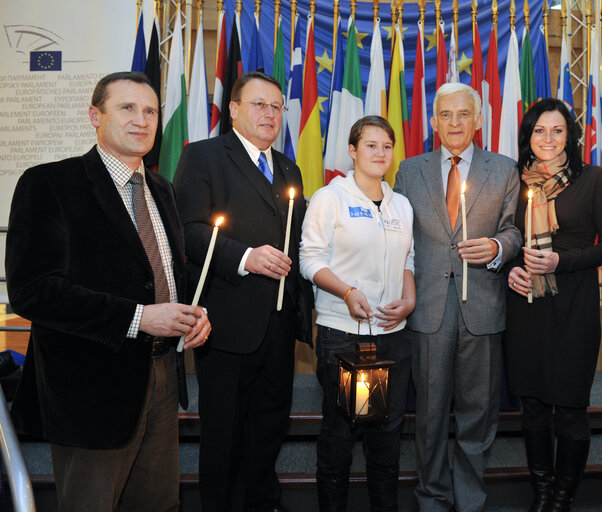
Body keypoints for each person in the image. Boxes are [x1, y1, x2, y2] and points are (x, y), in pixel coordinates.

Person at [6, 71, 211, 512]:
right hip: (91, 390)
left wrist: (196, 311)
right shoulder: (49, 184)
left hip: (161, 380)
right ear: (94, 116)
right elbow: (32, 291)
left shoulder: (162, 190)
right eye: (127, 108)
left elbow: (168, 274)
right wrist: (138, 317)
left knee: (158, 505)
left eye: (151, 111)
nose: (142, 120)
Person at [173, 71, 313, 512]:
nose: (269, 114)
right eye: (258, 104)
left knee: (270, 425)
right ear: (233, 109)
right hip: (228, 322)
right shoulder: (204, 157)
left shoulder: (289, 167)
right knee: (225, 432)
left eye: (276, 106)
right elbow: (188, 231)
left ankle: (261, 502)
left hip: (278, 324)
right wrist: (244, 256)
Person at [394, 82, 520, 512]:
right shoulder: (409, 171)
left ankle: (469, 499)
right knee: (429, 416)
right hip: (427, 309)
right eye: (445, 115)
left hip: (482, 306)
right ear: (433, 121)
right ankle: (431, 496)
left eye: (463, 114)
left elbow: (514, 230)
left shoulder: (503, 169)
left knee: (478, 414)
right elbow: (395, 235)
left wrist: (498, 248)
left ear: (478, 120)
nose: (454, 123)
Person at [300, 115, 414, 511]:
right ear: (352, 150)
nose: (380, 153)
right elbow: (309, 260)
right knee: (341, 434)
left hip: (392, 334)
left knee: (387, 434)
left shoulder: (401, 204)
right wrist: (347, 292)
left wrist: (410, 301)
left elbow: (408, 261)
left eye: (386, 146)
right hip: (343, 334)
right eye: (370, 145)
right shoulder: (330, 198)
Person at [503, 98, 602, 511]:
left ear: (571, 135)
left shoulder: (594, 179)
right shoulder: (514, 181)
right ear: (527, 136)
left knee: (569, 409)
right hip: (526, 308)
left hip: (573, 308)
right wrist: (510, 267)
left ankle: (563, 497)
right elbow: (507, 238)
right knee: (532, 408)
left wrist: (560, 261)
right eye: (539, 131)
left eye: (557, 130)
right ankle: (543, 493)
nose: (547, 139)